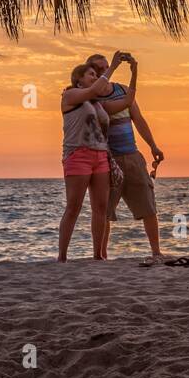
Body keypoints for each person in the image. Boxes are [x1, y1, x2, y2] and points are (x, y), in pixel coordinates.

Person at [87, 52, 165, 262]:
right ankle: (101, 255)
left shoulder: (121, 89)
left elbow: (138, 119)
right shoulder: (91, 97)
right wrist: (113, 66)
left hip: (132, 156)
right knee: (105, 211)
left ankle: (156, 251)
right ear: (90, 74)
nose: (104, 72)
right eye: (99, 69)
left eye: (106, 68)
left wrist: (153, 145)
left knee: (148, 206)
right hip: (108, 160)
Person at [57, 61, 135, 261]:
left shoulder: (97, 103)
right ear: (79, 79)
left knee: (100, 208)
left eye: (95, 74)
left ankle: (98, 255)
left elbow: (127, 101)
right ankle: (62, 257)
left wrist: (134, 73)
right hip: (78, 155)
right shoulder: (70, 96)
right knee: (73, 207)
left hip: (100, 156)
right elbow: (94, 88)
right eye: (91, 74)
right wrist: (114, 66)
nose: (95, 76)